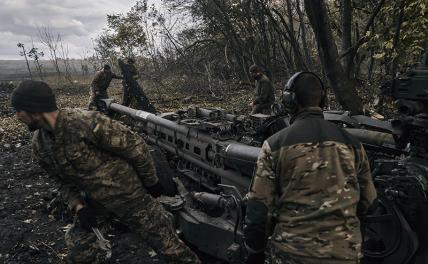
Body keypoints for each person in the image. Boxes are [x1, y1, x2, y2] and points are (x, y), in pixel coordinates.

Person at [11, 80, 201, 264]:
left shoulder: (86, 123)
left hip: (131, 198)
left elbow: (136, 147)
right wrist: (78, 206)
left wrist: (151, 183)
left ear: (35, 109)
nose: (17, 116)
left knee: (173, 252)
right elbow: (58, 180)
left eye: (19, 110)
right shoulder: (40, 145)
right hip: (94, 205)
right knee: (79, 254)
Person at [244, 72, 377, 264]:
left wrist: (254, 253)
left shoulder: (274, 145)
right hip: (345, 254)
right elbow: (370, 204)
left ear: (290, 101)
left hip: (292, 254)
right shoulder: (354, 144)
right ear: (322, 99)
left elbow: (258, 211)